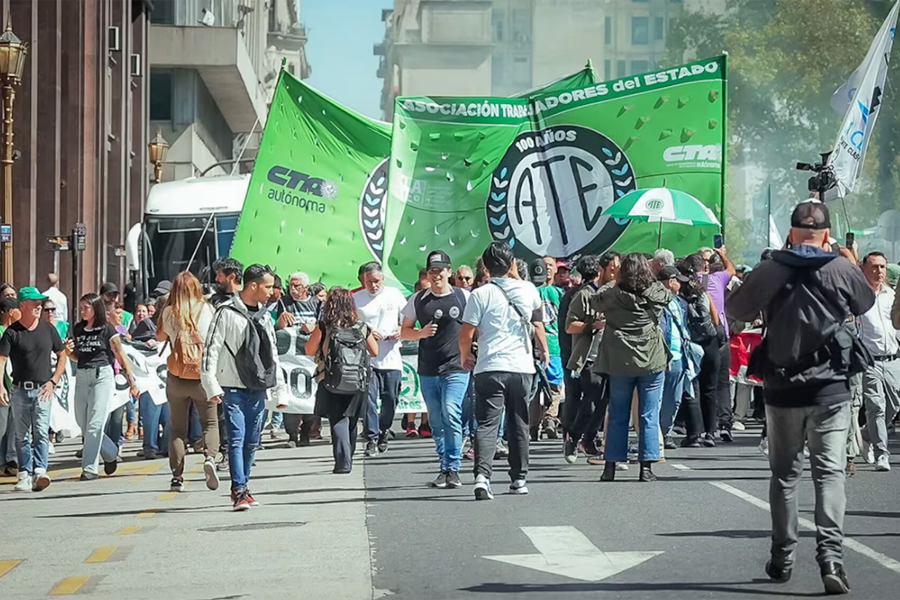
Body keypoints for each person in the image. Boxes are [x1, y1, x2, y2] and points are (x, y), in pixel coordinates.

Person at [728, 200, 874, 595]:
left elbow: (736, 307)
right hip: (830, 387)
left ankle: (783, 556)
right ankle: (831, 557)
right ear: (825, 235)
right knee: (829, 474)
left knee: (785, 476)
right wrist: (845, 259)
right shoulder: (840, 267)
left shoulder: (771, 267)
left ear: (791, 233)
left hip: (783, 386)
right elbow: (865, 303)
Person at [459, 242, 548, 500]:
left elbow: (466, 333)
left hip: (489, 366)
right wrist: (544, 351)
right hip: (521, 367)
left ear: (485, 267)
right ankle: (519, 479)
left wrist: (466, 356)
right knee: (519, 422)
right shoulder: (529, 289)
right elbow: (538, 324)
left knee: (487, 423)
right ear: (512, 264)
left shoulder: (480, 294)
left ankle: (482, 477)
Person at [202, 264, 288, 511]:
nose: (272, 292)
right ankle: (238, 489)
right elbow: (211, 348)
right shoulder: (225, 312)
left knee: (252, 441)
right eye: (268, 286)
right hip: (231, 387)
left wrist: (279, 390)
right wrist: (211, 384)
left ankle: (244, 485)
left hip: (258, 387)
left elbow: (272, 354)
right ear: (253, 286)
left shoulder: (264, 315)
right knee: (237, 438)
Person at [592, 254, 671, 482]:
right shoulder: (656, 292)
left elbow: (595, 301)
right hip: (652, 359)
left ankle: (610, 467)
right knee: (647, 414)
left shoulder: (613, 294)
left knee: (617, 413)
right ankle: (646, 468)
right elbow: (666, 295)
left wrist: (614, 280)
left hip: (620, 360)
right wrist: (650, 280)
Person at [401, 250, 471, 488]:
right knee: (436, 420)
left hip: (457, 367)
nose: (436, 275)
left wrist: (473, 352)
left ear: (449, 272)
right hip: (428, 368)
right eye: (432, 271)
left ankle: (453, 467)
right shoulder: (419, 299)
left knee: (451, 411)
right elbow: (403, 331)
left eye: (440, 271)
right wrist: (419, 333)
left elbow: (477, 327)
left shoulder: (463, 297)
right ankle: (444, 466)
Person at [0, 288, 68, 492]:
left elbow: (62, 355)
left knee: (40, 431)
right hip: (20, 390)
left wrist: (53, 381)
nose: (39, 306)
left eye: (40, 302)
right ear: (22, 306)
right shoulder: (12, 333)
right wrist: (1, 386)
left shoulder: (48, 330)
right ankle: (24, 474)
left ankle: (40, 471)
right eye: (34, 302)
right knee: (21, 435)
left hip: (43, 389)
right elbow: (1, 360)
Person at [306, 288, 378, 474]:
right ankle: (349, 457)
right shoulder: (361, 326)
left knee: (337, 419)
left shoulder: (324, 326)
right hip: (358, 380)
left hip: (332, 378)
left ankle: (343, 462)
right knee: (353, 420)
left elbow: (309, 349)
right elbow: (375, 351)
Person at [158, 272, 219, 492]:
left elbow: (160, 337)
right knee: (210, 423)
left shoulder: (168, 311)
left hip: (177, 376)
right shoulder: (207, 309)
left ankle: (177, 476)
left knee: (177, 429)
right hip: (202, 376)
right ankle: (210, 457)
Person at [69, 293, 140, 480]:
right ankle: (110, 452)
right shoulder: (78, 329)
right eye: (81, 307)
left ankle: (89, 469)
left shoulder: (107, 330)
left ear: (96, 309)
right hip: (83, 375)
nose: (82, 311)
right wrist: (69, 353)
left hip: (102, 376)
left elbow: (120, 355)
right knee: (82, 423)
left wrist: (132, 381)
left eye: (86, 307)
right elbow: (78, 356)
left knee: (95, 423)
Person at [564, 252, 619, 463]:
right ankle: (574, 437)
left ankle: (589, 440)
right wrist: (592, 325)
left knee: (604, 402)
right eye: (612, 270)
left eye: (618, 270)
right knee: (591, 401)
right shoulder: (586, 294)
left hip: (613, 357)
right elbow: (570, 326)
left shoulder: (618, 294)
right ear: (601, 270)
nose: (615, 274)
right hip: (590, 357)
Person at [353, 262, 406, 456]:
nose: (373, 286)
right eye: (369, 282)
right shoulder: (356, 298)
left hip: (391, 357)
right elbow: (350, 324)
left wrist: (400, 330)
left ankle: (384, 430)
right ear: (363, 281)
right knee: (368, 400)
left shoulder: (394, 295)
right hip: (367, 358)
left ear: (382, 279)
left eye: (376, 281)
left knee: (390, 398)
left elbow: (407, 319)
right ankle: (371, 437)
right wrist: (366, 332)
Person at [855, 252, 899, 472]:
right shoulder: (858, 296)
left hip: (893, 358)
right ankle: (882, 454)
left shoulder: (892, 295)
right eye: (873, 267)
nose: (879, 271)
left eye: (882, 267)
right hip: (869, 360)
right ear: (864, 268)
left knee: (894, 405)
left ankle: (865, 434)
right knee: (876, 407)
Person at [677, 255, 722, 448]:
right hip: (710, 343)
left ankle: (694, 433)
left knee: (691, 388)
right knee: (710, 389)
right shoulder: (703, 292)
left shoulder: (680, 296)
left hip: (690, 344)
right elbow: (716, 320)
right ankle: (710, 433)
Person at [699, 247, 738, 441]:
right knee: (722, 383)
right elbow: (732, 269)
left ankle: (708, 426)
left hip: (701, 336)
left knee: (705, 383)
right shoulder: (718, 278)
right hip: (720, 334)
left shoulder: (693, 281)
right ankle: (724, 423)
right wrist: (722, 254)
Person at [529, 258, 563, 440]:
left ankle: (533, 427)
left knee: (534, 389)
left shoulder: (527, 291)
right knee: (555, 387)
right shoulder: (558, 293)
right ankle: (550, 418)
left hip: (532, 345)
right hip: (554, 345)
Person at [658, 266, 691, 450]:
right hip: (663, 355)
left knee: (675, 398)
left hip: (680, 356)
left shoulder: (680, 302)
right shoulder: (656, 301)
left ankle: (665, 432)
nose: (681, 284)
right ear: (670, 281)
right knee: (658, 398)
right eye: (678, 280)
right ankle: (657, 435)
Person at [0, 298, 20, 475]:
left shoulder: (18, 331)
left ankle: (10, 460)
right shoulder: (3, 332)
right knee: (2, 426)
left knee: (12, 425)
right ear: (11, 312)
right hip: (3, 385)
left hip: (14, 384)